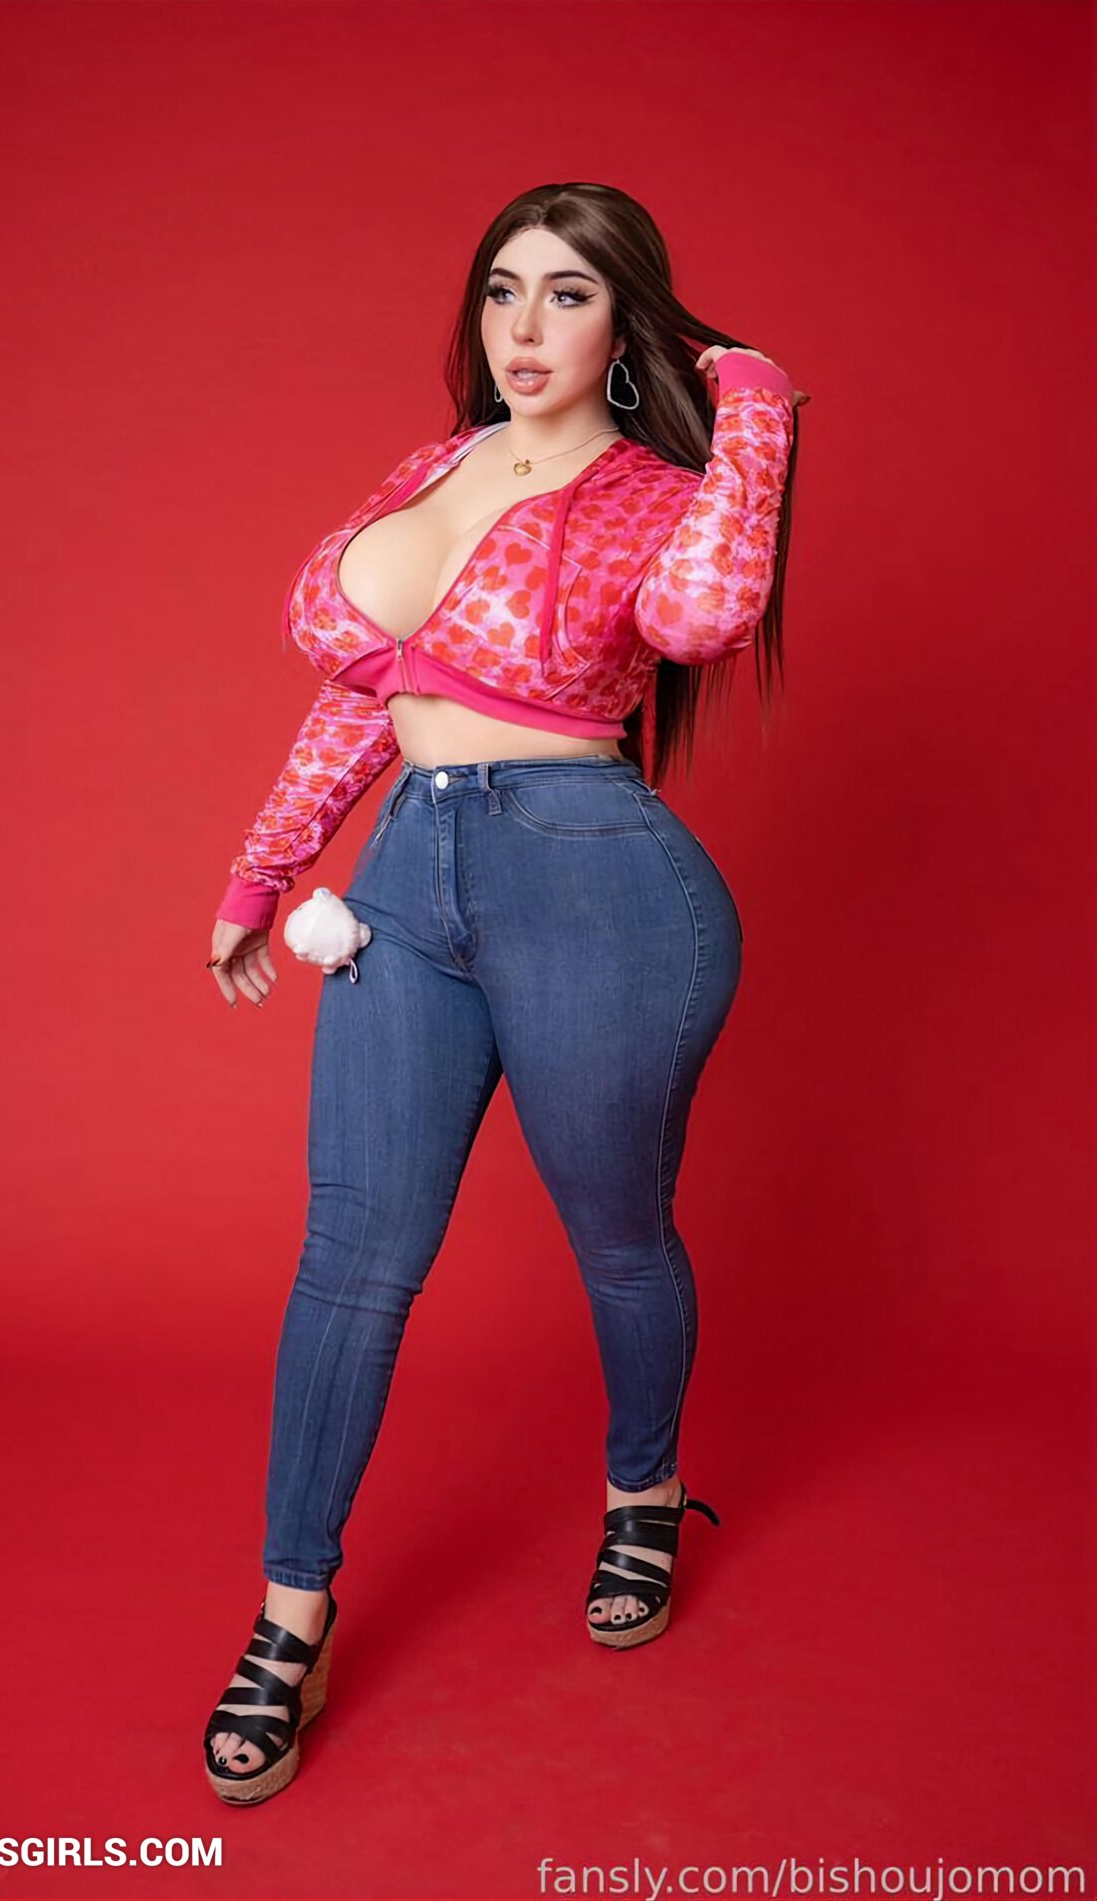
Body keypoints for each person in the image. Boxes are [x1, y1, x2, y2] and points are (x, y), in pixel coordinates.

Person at [201, 181, 805, 1805]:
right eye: (501, 291)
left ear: (628, 325)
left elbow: (703, 617)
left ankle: (643, 1493)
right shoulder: (430, 467)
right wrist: (263, 871)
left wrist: (756, 407)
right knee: (351, 1255)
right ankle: (292, 1612)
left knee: (617, 1229)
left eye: (567, 295)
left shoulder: (656, 492)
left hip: (596, 883)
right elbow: (369, 690)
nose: (524, 327)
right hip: (408, 885)